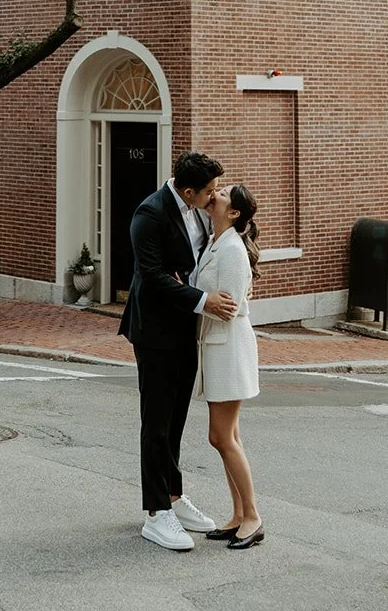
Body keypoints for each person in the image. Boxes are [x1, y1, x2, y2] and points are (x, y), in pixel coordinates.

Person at [119, 151, 239, 552]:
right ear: (189, 191)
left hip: (185, 330)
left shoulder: (198, 210)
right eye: (209, 191)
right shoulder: (148, 215)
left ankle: (172, 496)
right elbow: (151, 278)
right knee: (156, 421)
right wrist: (204, 300)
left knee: (175, 420)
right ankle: (156, 514)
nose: (215, 196)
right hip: (154, 332)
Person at [195, 183, 263, 549]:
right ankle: (237, 515)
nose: (215, 194)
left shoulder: (233, 248)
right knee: (229, 438)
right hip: (217, 348)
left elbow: (230, 305)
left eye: (222, 194)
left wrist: (197, 300)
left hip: (230, 350)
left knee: (220, 437)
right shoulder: (215, 241)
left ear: (233, 212)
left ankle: (252, 516)